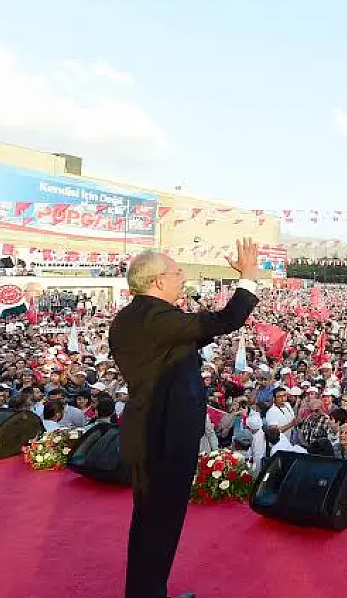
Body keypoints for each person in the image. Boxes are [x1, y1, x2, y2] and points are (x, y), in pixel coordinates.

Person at [110, 238, 261, 598]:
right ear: (158, 280)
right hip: (162, 436)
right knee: (160, 525)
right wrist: (249, 278)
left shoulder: (136, 317)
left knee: (150, 524)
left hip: (152, 433)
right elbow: (228, 319)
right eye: (178, 272)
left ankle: (146, 591)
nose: (183, 278)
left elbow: (183, 341)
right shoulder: (155, 316)